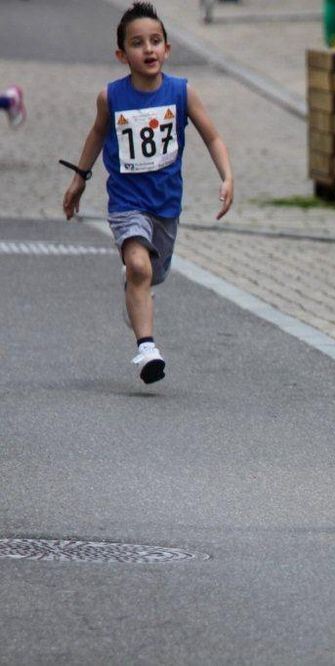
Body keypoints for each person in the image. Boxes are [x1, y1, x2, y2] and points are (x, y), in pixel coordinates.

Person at [61, 2, 233, 384]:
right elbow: (96, 134)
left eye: (155, 41)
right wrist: (80, 178)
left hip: (166, 206)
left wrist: (227, 176)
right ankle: (147, 349)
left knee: (151, 274)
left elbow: (213, 137)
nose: (148, 49)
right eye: (137, 43)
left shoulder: (181, 93)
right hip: (126, 203)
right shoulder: (111, 97)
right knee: (139, 266)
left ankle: (134, 295)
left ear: (167, 49)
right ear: (122, 55)